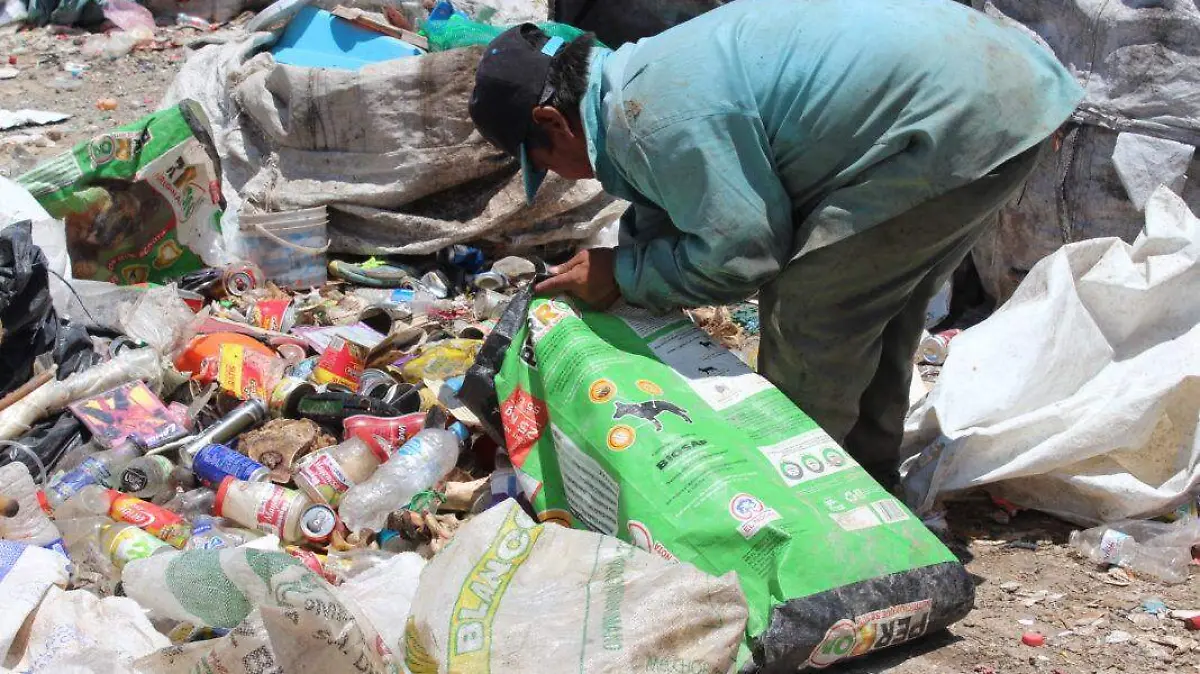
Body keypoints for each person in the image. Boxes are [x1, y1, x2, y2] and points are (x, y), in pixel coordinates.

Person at [468, 0, 1083, 486]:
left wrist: (624, 275)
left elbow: (745, 256)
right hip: (1003, 88)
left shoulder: (651, 116)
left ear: (553, 122)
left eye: (543, 163)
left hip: (956, 115)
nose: (561, 177)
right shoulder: (639, 77)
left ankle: (801, 505)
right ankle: (869, 486)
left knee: (813, 306)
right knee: (879, 306)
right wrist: (622, 262)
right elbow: (677, 202)